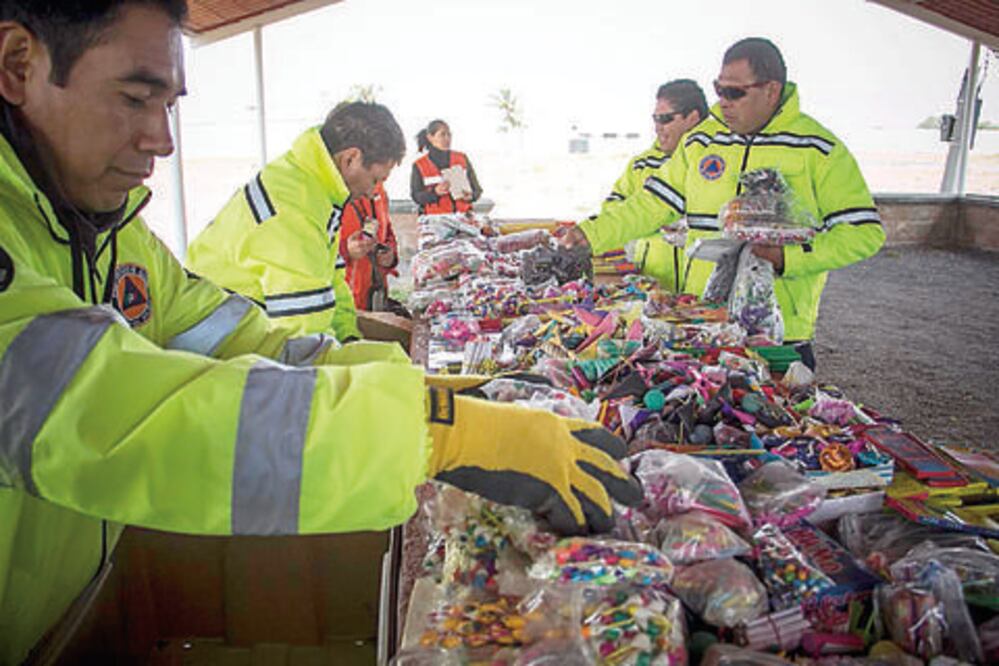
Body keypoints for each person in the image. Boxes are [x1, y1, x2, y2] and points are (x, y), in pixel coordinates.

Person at [0, 2, 641, 662]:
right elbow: (115, 414)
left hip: (70, 602)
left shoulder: (110, 231)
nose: (162, 140)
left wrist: (431, 388)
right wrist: (438, 429)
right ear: (18, 64)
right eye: (135, 99)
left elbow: (251, 345)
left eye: (168, 106)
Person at [561, 38, 885, 370]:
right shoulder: (701, 141)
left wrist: (787, 258)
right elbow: (651, 204)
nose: (723, 102)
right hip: (701, 325)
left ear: (771, 90)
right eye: (719, 90)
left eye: (735, 93)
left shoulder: (818, 148)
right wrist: (592, 233)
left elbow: (864, 233)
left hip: (779, 335)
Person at [186, 101, 406, 342]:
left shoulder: (317, 191)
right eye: (375, 179)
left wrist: (349, 338)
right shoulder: (293, 206)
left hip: (250, 342)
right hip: (219, 348)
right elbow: (306, 339)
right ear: (350, 159)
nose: (373, 191)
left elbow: (332, 283)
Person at [589, 79, 707, 288]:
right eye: (655, 119)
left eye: (665, 119)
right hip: (653, 289)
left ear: (693, 118)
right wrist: (651, 220)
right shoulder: (641, 165)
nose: (658, 128)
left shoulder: (717, 162)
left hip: (704, 291)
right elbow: (611, 209)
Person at [338, 181, 402, 312]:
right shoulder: (327, 192)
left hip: (375, 296)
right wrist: (345, 251)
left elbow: (387, 230)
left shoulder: (378, 189)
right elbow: (308, 251)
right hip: (344, 302)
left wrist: (390, 256)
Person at [411, 119, 482, 215]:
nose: (447, 138)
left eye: (449, 135)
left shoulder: (462, 158)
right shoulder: (419, 165)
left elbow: (477, 190)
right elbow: (416, 196)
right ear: (430, 137)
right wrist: (435, 192)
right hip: (436, 220)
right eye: (442, 135)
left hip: (464, 216)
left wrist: (471, 196)